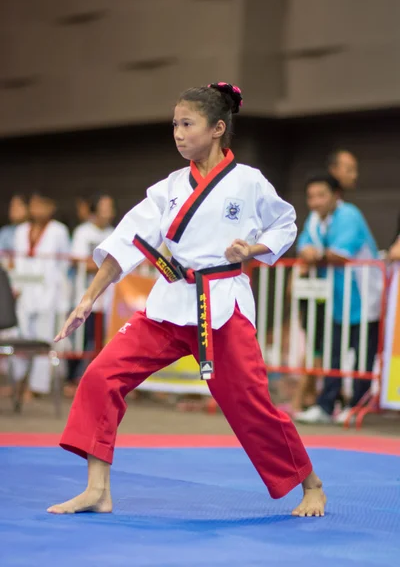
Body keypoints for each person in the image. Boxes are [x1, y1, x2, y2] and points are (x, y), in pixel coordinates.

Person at [47, 82, 326, 517]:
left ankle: (311, 484)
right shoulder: (170, 188)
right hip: (170, 302)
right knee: (101, 376)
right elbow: (126, 241)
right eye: (174, 124)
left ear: (217, 129)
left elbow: (285, 223)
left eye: (187, 124)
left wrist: (251, 250)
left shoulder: (249, 182)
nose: (177, 133)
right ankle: (97, 489)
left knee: (249, 403)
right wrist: (87, 298)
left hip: (222, 306)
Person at [295, 174, 382, 424]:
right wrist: (311, 253)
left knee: (363, 357)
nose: (315, 202)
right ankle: (325, 405)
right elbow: (304, 247)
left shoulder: (350, 215)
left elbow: (338, 254)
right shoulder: (314, 219)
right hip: (335, 300)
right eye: (310, 197)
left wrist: (315, 254)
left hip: (364, 298)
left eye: (321, 195)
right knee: (333, 354)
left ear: (336, 196)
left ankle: (357, 406)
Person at [12, 192, 70, 397]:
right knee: (21, 337)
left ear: (51, 207)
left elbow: (64, 264)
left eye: (42, 205)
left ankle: (36, 388)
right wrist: (16, 284)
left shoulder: (58, 231)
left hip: (49, 292)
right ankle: (17, 381)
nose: (38, 210)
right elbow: (18, 260)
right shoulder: (21, 231)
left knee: (45, 339)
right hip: (25, 290)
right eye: (34, 205)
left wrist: (62, 294)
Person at [65, 195, 116, 396]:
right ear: (94, 210)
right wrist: (108, 266)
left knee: (100, 343)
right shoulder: (83, 232)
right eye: (104, 207)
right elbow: (81, 263)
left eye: (110, 207)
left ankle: (91, 381)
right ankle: (71, 380)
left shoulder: (113, 233)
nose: (108, 211)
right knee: (79, 340)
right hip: (84, 296)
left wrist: (105, 267)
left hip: (108, 298)